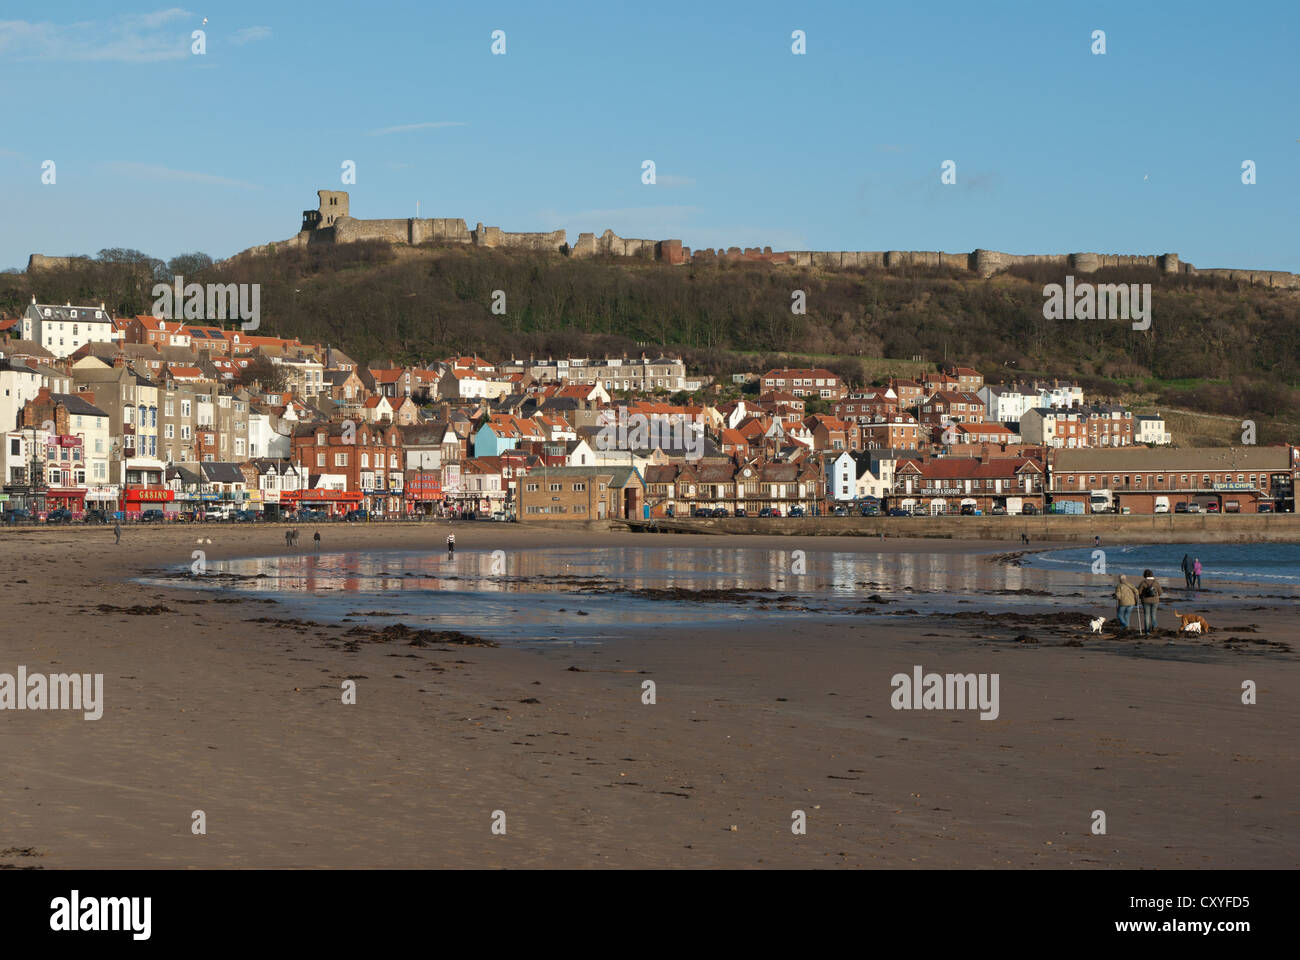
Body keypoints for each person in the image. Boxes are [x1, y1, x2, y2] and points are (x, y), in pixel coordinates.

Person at [1138, 569, 1162, 636]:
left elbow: (1139, 592)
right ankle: (1154, 626)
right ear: (1152, 574)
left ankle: (1147, 632)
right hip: (1155, 601)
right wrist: (1156, 596)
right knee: (1153, 615)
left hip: (1145, 601)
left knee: (1146, 615)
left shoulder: (1143, 582)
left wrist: (1141, 596)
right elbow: (1160, 592)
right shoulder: (1156, 582)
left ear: (1145, 575)